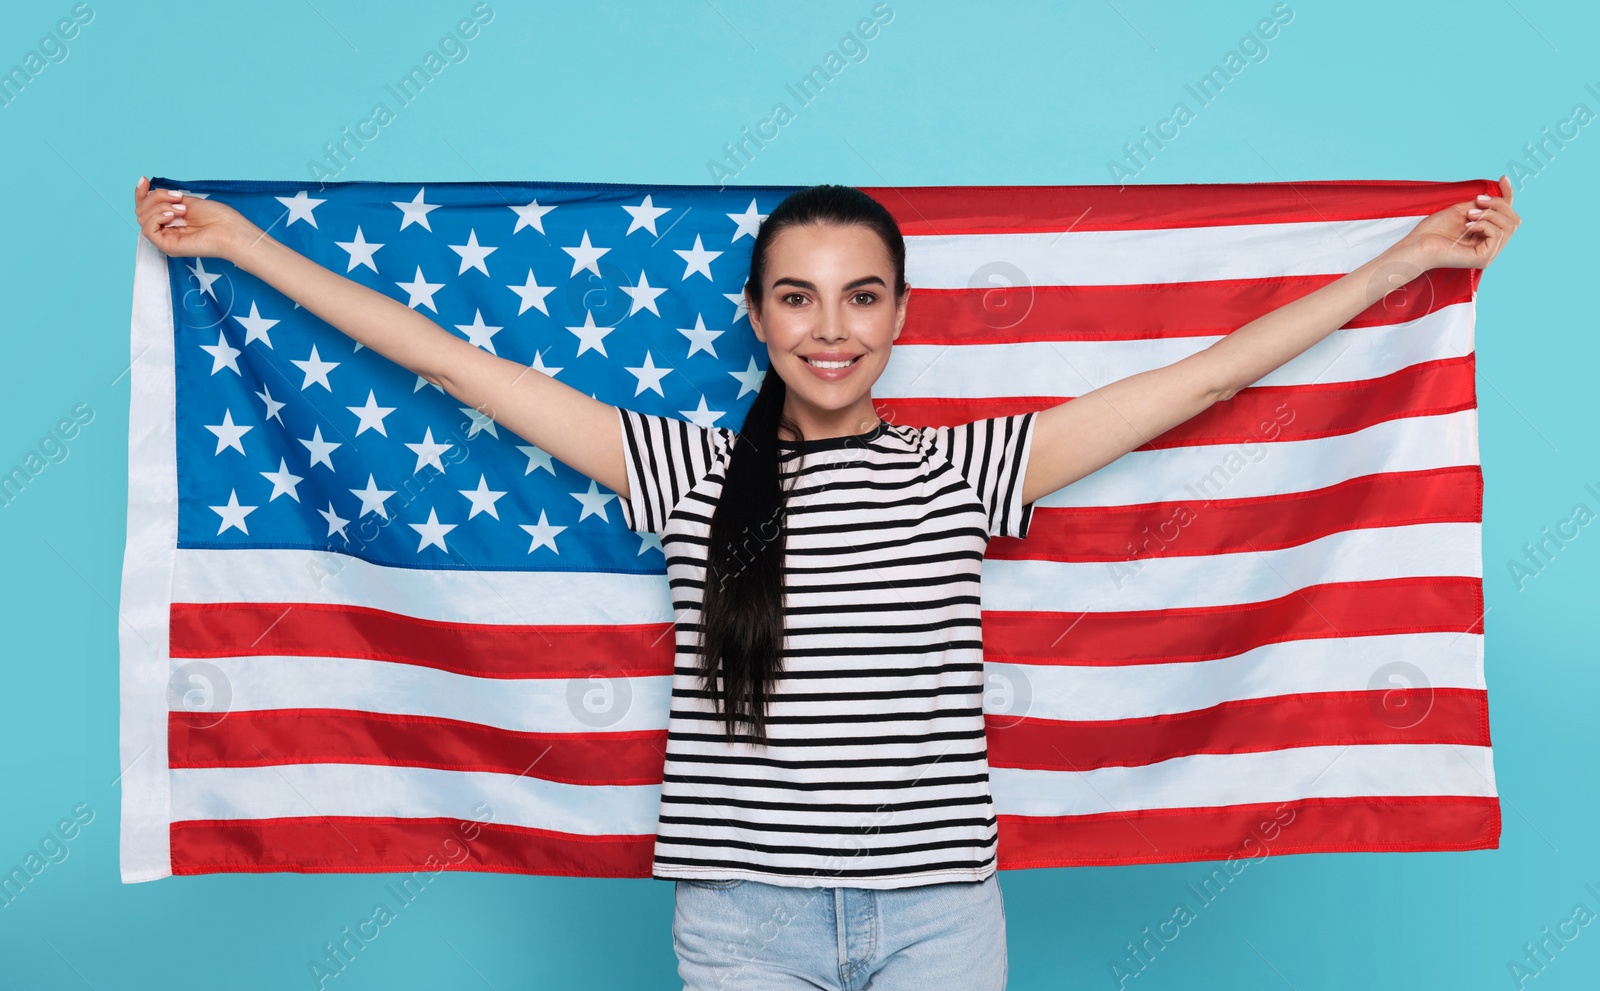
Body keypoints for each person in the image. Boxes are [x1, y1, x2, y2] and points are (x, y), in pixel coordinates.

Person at [133, 174, 1519, 990]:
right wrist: (240, 247)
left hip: (936, 912)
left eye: (861, 296)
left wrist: (1403, 264)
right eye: (797, 296)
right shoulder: (675, 464)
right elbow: (448, 362)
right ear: (757, 315)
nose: (830, 327)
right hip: (741, 919)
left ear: (901, 315)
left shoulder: (966, 468)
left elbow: (1205, 378)